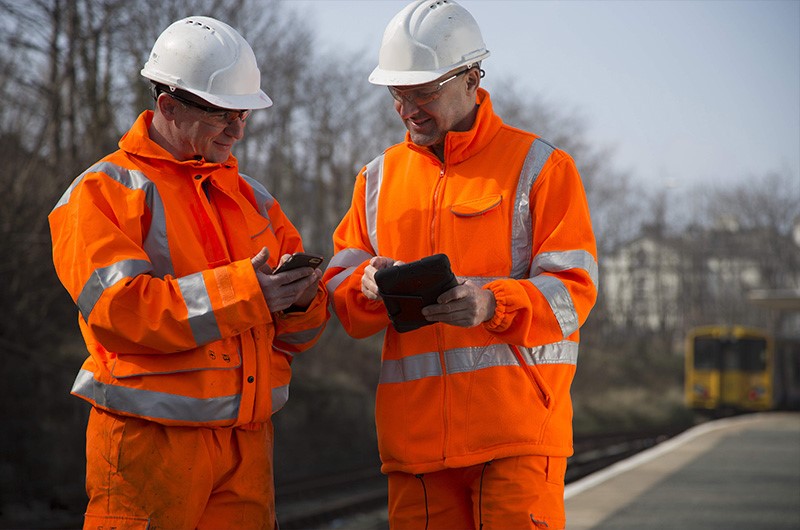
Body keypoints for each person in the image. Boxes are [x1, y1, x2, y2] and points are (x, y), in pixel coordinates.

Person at [323, 1, 598, 528]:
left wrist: (493, 302)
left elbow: (574, 293)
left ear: (472, 77)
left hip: (515, 435)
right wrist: (367, 286)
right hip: (416, 446)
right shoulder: (376, 180)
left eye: (423, 93)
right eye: (397, 95)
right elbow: (343, 293)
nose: (408, 109)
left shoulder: (542, 168)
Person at [48, 16, 328, 529]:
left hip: (247, 444)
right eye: (221, 114)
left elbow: (302, 334)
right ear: (168, 105)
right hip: (149, 445)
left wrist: (302, 300)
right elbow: (124, 312)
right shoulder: (102, 193)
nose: (237, 129)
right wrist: (249, 293)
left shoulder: (254, 199)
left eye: (243, 114)